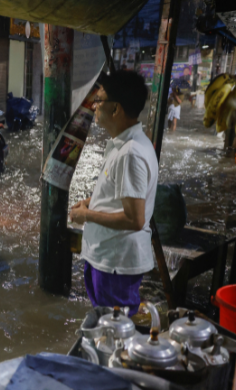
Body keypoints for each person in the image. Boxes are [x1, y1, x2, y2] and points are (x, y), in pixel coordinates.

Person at [69, 70, 158, 310]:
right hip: (106, 258)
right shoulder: (124, 145)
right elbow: (120, 193)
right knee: (106, 329)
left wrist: (86, 215)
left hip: (114, 262)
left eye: (99, 101)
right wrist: (90, 201)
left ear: (116, 108)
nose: (94, 106)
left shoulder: (130, 153)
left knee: (113, 332)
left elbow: (135, 218)